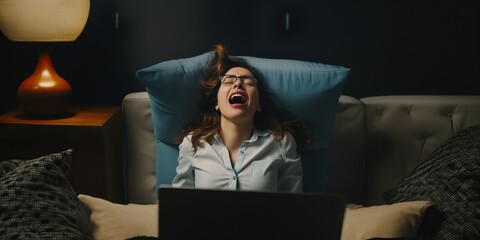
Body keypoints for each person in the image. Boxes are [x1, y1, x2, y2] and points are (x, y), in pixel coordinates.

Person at [172, 44, 312, 193]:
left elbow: (294, 204)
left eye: (248, 82)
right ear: (216, 103)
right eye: (228, 81)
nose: (238, 83)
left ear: (258, 104)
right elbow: (179, 204)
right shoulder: (192, 142)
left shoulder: (282, 142)